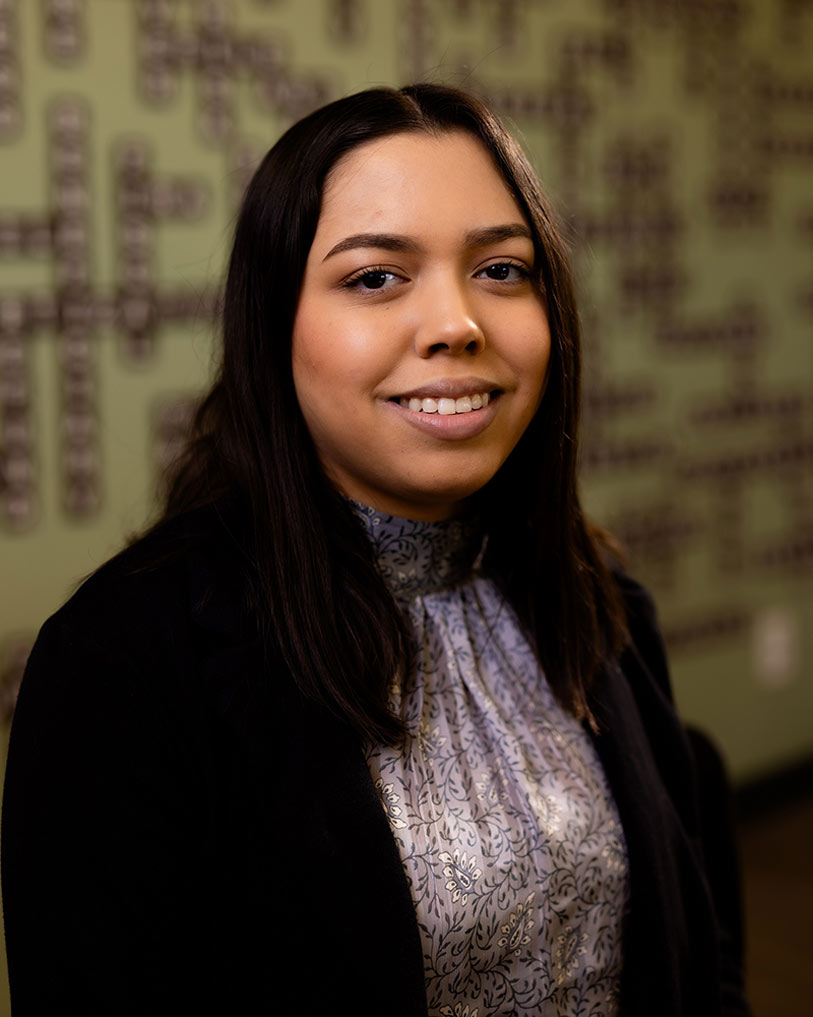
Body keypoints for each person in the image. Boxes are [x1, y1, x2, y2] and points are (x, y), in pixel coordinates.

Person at [1, 84, 749, 1016]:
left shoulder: (601, 602)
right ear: (274, 327)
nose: (456, 322)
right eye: (376, 277)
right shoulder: (128, 659)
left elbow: (698, 949)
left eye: (503, 270)